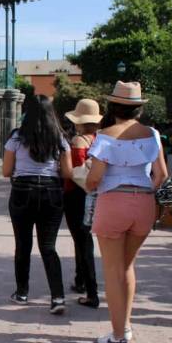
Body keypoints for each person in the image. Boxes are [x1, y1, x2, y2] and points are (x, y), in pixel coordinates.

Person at [86, 81, 167, 343]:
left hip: (113, 201)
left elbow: (95, 177)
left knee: (112, 270)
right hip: (144, 201)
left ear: (113, 107)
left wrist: (86, 183)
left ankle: (118, 336)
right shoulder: (152, 135)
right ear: (138, 109)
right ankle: (126, 326)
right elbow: (162, 175)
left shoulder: (105, 135)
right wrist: (143, 192)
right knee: (128, 266)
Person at [3, 95, 73, 315]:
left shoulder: (17, 137)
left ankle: (22, 293)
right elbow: (68, 172)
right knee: (48, 247)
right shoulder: (60, 138)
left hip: (23, 190)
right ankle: (58, 297)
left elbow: (6, 171)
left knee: (23, 244)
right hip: (51, 192)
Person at [63, 99, 102, 308]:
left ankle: (91, 290)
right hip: (95, 193)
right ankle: (80, 280)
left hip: (76, 195)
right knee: (83, 239)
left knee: (82, 241)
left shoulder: (79, 141)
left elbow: (76, 170)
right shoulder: (100, 139)